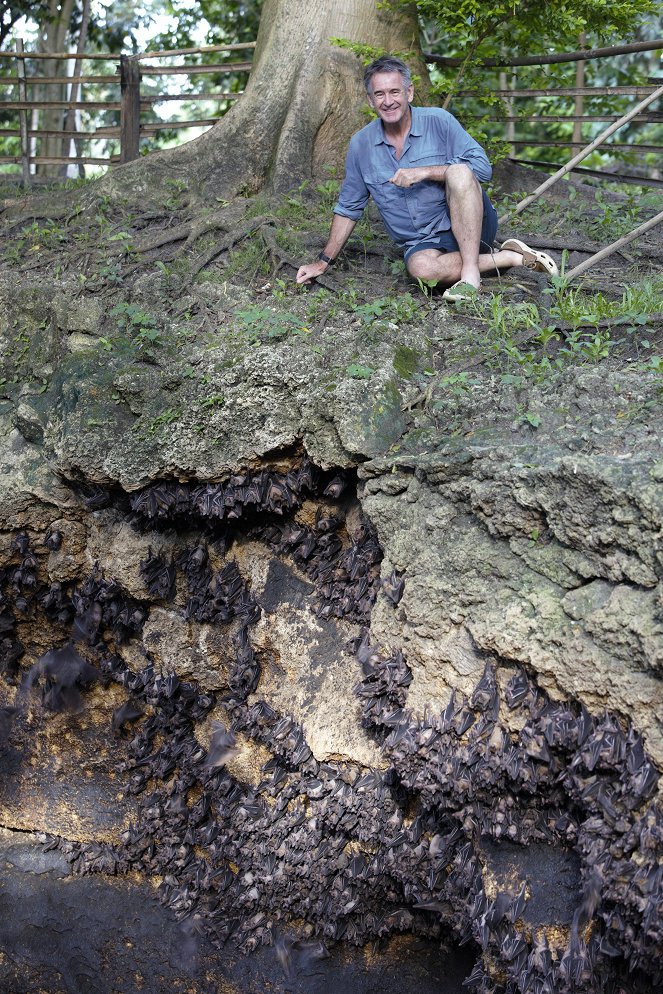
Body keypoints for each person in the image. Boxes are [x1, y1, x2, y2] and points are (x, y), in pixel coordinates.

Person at [296, 56, 557, 301]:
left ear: (408, 93)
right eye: (380, 94)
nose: (388, 101)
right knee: (421, 269)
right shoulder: (361, 145)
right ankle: (508, 257)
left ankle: (470, 277)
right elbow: (349, 208)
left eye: (395, 92)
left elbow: (481, 169)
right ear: (370, 100)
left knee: (458, 171)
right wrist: (323, 261)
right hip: (422, 242)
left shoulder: (439, 121)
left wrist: (426, 172)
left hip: (469, 222)